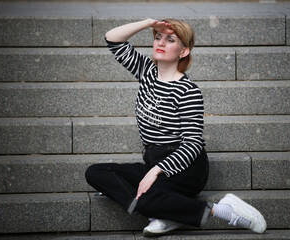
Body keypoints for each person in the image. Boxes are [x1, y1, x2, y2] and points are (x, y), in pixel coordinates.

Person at [85, 18, 266, 236]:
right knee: (95, 172)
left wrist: (155, 172)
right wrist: (148, 23)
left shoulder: (187, 91)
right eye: (158, 37)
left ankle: (225, 210)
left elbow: (192, 145)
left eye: (170, 40)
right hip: (155, 161)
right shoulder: (147, 73)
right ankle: (164, 214)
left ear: (183, 52)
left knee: (146, 197)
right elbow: (112, 38)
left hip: (186, 168)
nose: (160, 43)